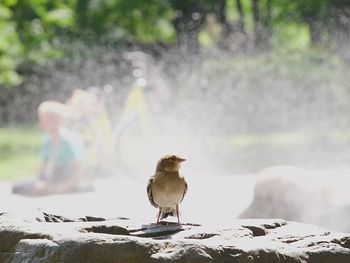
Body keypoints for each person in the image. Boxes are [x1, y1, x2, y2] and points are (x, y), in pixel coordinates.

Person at [12, 101, 83, 196]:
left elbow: (77, 171)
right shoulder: (47, 141)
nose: (41, 123)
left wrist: (62, 188)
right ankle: (47, 188)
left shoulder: (68, 143)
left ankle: (50, 189)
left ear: (57, 121)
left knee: (35, 189)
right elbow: (42, 167)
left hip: (65, 177)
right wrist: (39, 180)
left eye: (45, 120)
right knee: (17, 187)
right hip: (53, 176)